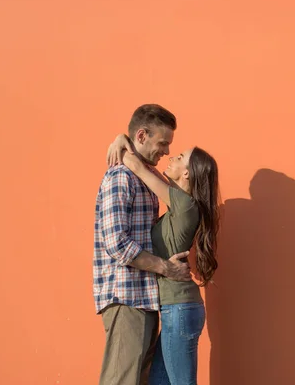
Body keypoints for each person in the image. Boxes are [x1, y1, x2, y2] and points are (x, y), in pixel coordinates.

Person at [106, 134, 220, 385]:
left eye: (179, 158)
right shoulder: (180, 203)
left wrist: (119, 142)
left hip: (179, 308)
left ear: (187, 174)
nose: (171, 156)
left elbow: (137, 166)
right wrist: (122, 138)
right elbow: (146, 168)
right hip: (175, 308)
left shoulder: (185, 205)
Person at [94, 104, 192, 385]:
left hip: (144, 297)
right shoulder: (120, 177)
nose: (165, 152)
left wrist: (121, 141)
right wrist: (166, 268)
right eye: (162, 144)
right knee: (121, 380)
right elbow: (116, 244)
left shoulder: (141, 175)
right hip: (126, 298)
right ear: (141, 135)